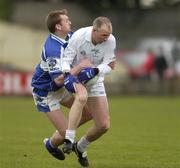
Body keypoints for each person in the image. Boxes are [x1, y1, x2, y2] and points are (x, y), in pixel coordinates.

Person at [31, 9, 93, 163]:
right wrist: (80, 67)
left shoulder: (69, 36)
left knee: (88, 114)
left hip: (61, 87)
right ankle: (55, 144)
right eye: (66, 20)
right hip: (46, 91)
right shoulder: (52, 48)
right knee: (68, 135)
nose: (70, 22)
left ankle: (51, 144)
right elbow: (58, 79)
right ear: (58, 27)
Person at [61, 16, 116, 166]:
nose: (107, 38)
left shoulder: (111, 40)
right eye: (103, 35)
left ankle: (80, 147)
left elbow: (110, 65)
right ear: (94, 30)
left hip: (95, 80)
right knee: (81, 99)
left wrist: (95, 70)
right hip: (76, 78)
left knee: (103, 125)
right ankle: (68, 138)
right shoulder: (79, 36)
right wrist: (67, 73)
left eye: (108, 35)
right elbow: (66, 59)